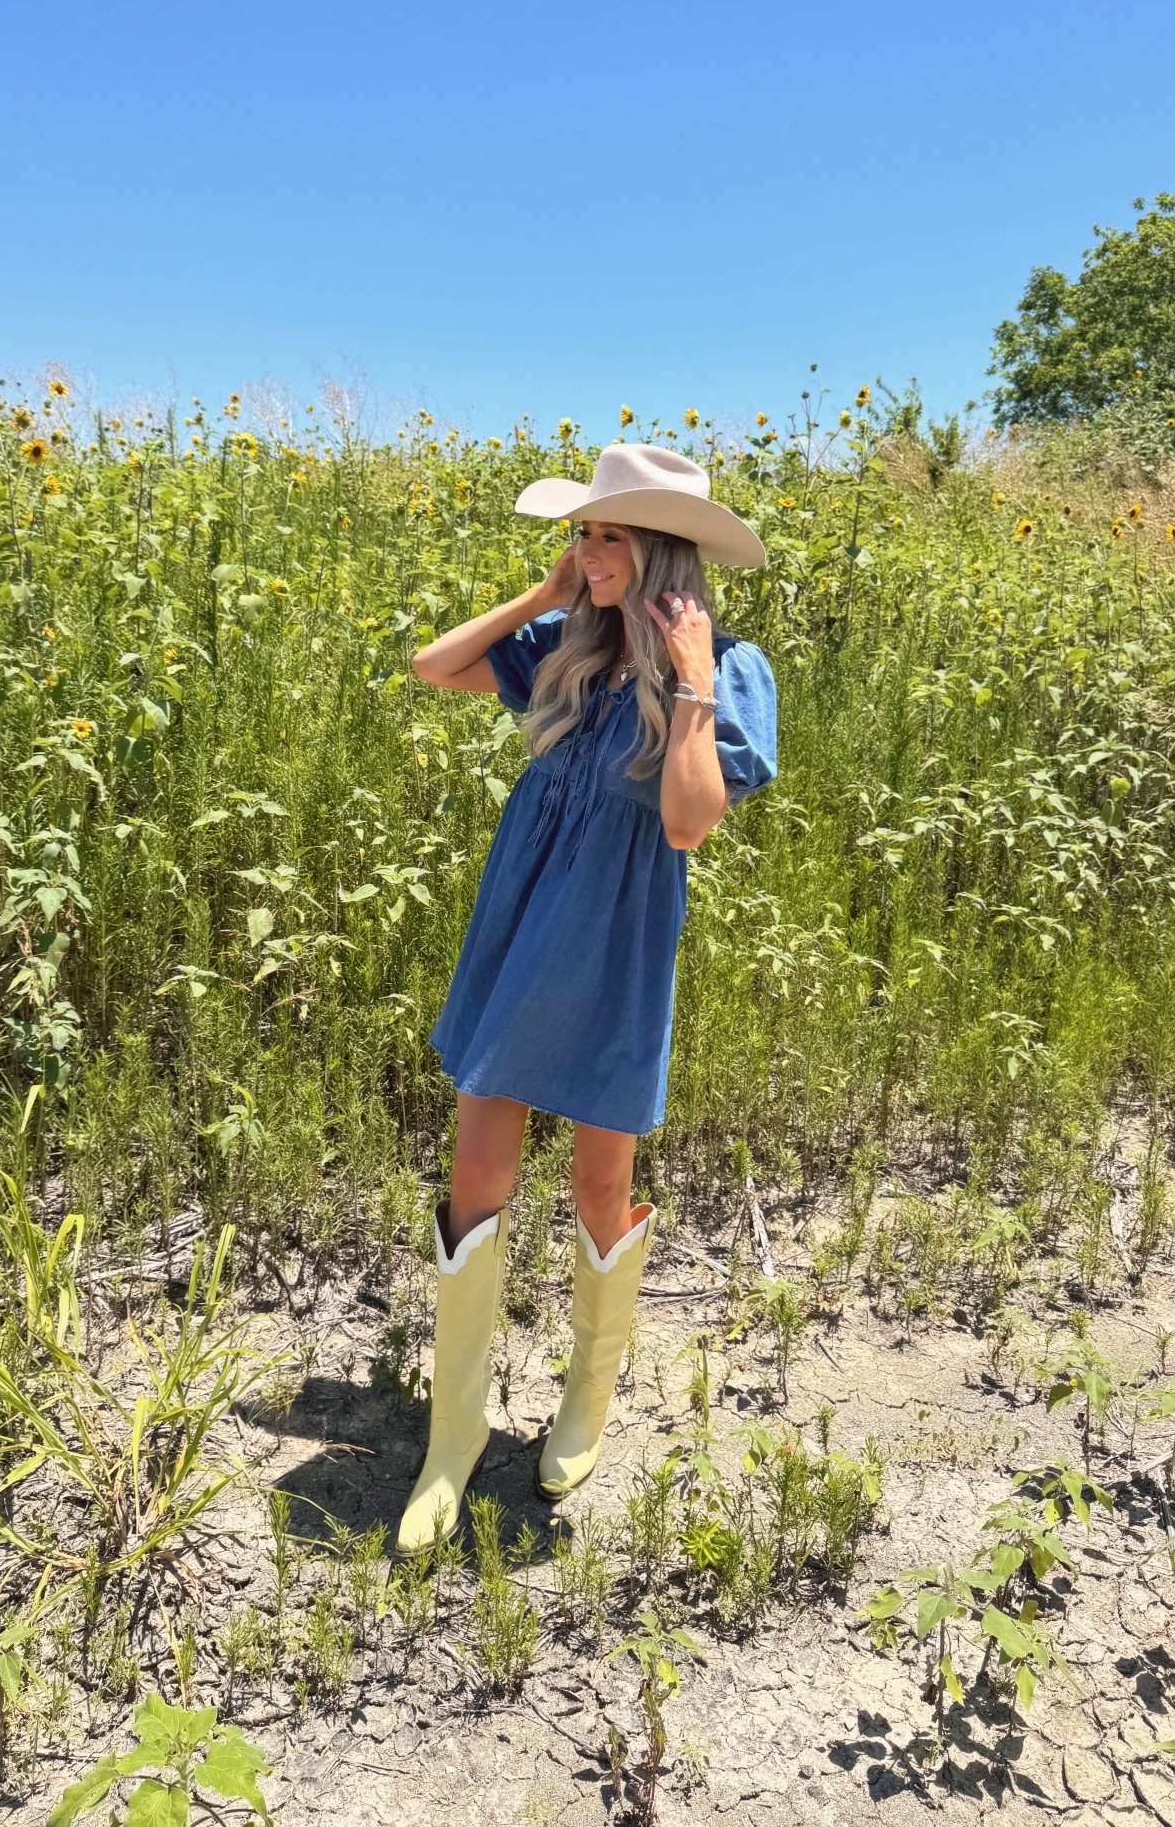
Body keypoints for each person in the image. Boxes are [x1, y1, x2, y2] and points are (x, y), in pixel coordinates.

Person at [396, 442, 777, 1555]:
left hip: (616, 935)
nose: (589, 549)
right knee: (476, 1171)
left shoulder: (731, 669)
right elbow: (433, 664)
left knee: (601, 1180)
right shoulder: (570, 649)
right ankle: (453, 1438)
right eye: (583, 531)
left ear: (662, 550)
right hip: (522, 919)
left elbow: (688, 823)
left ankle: (586, 1402)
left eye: (609, 534)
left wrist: (691, 675)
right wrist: (545, 594)